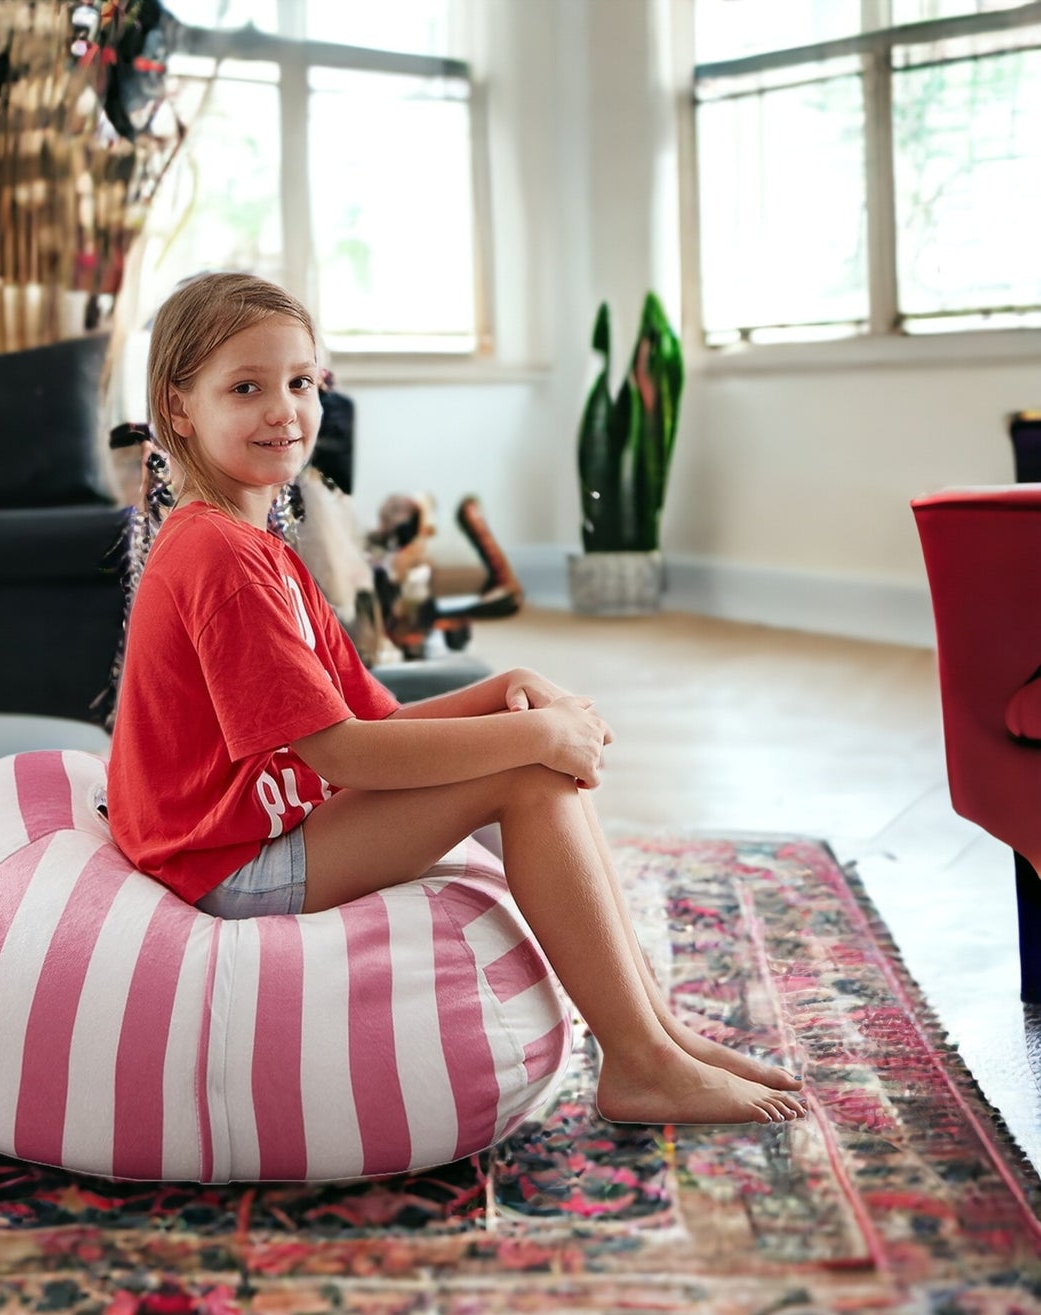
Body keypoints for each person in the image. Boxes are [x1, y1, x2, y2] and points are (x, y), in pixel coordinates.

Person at [106, 272, 805, 1127]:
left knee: (524, 739)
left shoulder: (259, 545)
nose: (283, 409)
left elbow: (375, 719)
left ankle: (658, 1032)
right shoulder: (216, 555)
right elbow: (344, 753)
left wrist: (506, 693)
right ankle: (640, 1062)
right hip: (222, 862)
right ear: (178, 408)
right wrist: (535, 740)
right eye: (244, 388)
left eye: (300, 382)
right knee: (527, 774)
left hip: (257, 829)